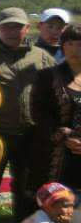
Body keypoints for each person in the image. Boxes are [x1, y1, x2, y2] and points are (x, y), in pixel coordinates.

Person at [0, 8, 56, 223]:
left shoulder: (41, 57)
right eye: (6, 26)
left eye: (17, 26)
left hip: (30, 134)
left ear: (27, 28)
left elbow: (54, 91)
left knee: (26, 187)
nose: (11, 31)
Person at [30, 23, 81, 195]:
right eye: (69, 44)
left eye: (80, 44)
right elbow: (38, 113)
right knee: (55, 200)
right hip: (55, 154)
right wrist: (64, 135)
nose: (75, 49)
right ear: (63, 46)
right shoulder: (47, 76)